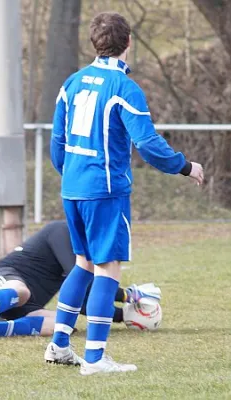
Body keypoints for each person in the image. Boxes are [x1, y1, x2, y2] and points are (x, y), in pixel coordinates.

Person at [46, 11, 204, 375]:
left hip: (73, 188)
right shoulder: (123, 88)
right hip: (105, 191)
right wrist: (184, 166)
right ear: (128, 43)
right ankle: (97, 359)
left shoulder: (71, 83)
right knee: (108, 268)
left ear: (94, 43)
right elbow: (147, 143)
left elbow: (58, 141)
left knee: (84, 264)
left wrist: (70, 175)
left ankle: (59, 345)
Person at [0, 220, 161, 338]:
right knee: (22, 291)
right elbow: (87, 279)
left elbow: (83, 301)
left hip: (24, 306)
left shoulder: (81, 250)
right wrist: (127, 295)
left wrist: (124, 315)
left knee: (65, 323)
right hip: (1, 282)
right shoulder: (61, 231)